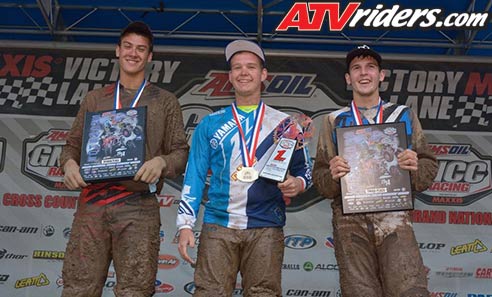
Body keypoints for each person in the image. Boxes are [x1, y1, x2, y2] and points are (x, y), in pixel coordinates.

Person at [59, 21, 189, 297]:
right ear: (117, 51)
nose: (133, 53)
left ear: (149, 56)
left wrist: (162, 162)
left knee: (135, 291)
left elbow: (180, 152)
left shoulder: (165, 101)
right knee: (78, 289)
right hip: (92, 205)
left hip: (138, 207)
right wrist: (69, 164)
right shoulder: (95, 98)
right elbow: (71, 145)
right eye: (128, 47)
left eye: (141, 49)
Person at [176, 39, 313, 297]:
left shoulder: (285, 124)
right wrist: (185, 224)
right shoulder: (210, 124)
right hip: (218, 224)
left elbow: (305, 171)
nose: (243, 72)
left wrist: (298, 184)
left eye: (251, 66)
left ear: (263, 75)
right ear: (230, 76)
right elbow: (193, 175)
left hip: (266, 226)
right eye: (237, 67)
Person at [312, 45, 438, 297]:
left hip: (394, 217)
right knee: (359, 292)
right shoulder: (334, 120)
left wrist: (415, 167)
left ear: (381, 75)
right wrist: (333, 175)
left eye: (370, 67)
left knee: (410, 290)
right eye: (356, 68)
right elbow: (321, 179)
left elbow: (428, 166)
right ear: (348, 79)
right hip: (349, 222)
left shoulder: (404, 115)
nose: (364, 73)